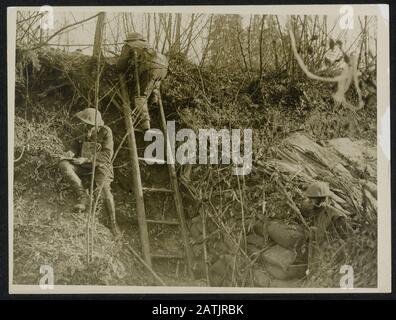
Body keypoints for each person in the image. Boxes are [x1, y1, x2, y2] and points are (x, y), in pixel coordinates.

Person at [59, 108, 120, 236]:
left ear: (98, 125)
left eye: (91, 126)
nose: (87, 128)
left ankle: (113, 223)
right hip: (83, 165)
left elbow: (107, 155)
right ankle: (83, 197)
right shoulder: (80, 129)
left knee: (103, 189)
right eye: (85, 124)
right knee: (64, 165)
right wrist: (71, 153)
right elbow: (74, 146)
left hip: (101, 166)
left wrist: (86, 159)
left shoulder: (106, 132)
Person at [116, 32, 168, 130]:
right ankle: (154, 99)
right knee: (153, 82)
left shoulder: (129, 45)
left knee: (140, 96)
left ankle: (145, 124)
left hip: (149, 68)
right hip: (163, 68)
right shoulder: (148, 46)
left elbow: (120, 65)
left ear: (129, 40)